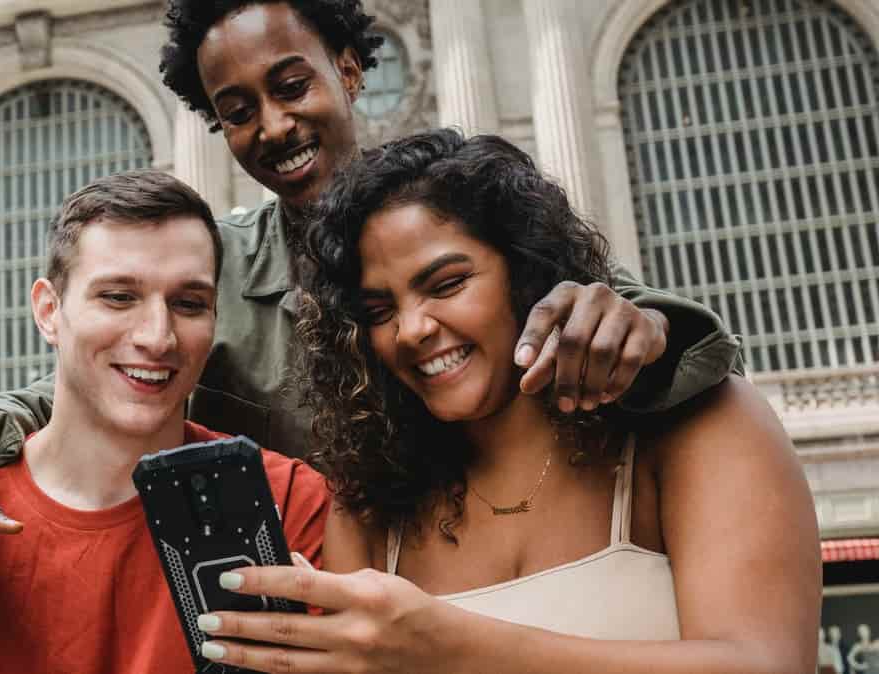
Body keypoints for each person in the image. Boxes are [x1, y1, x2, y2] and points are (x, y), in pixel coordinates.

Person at [0, 0, 743, 605]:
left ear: (346, 67)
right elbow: (89, 391)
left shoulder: (470, 213)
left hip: (515, 584)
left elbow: (651, 328)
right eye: (236, 112)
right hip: (315, 611)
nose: (272, 125)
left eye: (290, 84)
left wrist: (639, 330)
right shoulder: (212, 272)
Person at [192, 130, 820, 673]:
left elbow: (769, 664)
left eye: (447, 284)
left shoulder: (697, 428)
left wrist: (453, 647)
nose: (412, 329)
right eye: (379, 311)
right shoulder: (369, 507)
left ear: (526, 273)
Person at [0, 171, 327, 673]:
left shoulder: (289, 504)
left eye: (189, 304)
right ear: (48, 311)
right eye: (118, 297)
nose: (158, 337)